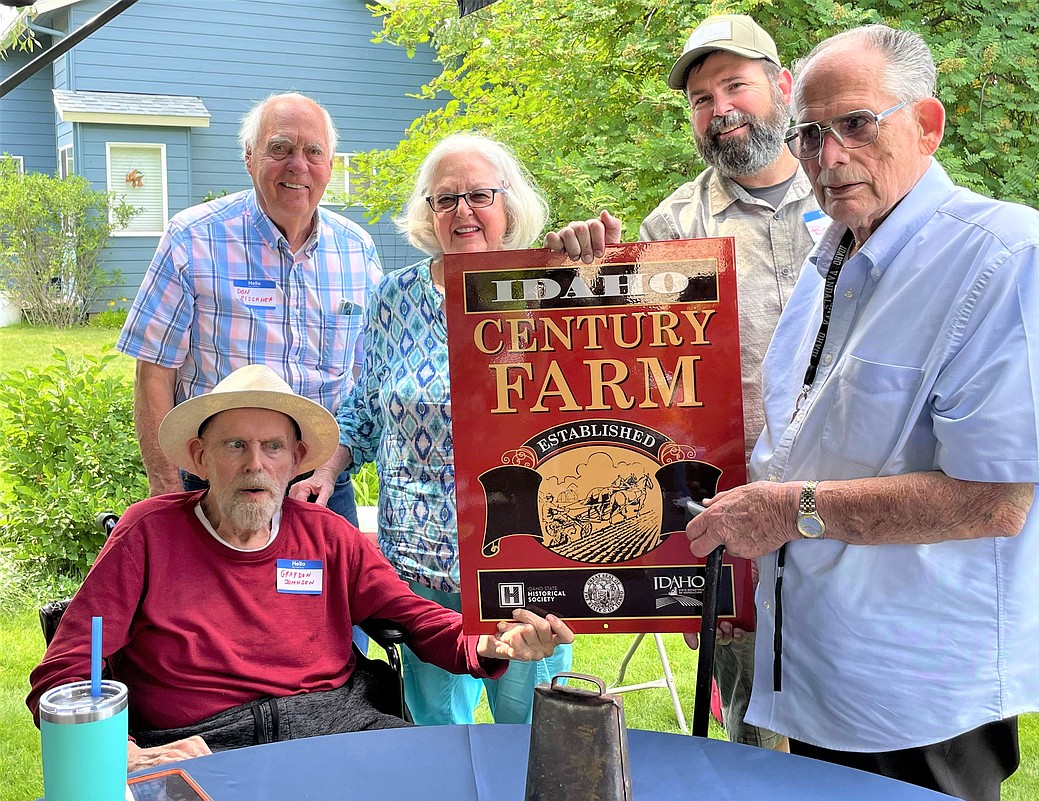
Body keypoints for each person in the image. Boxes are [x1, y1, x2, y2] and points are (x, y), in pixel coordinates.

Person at [684, 24, 1039, 801]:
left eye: (856, 125)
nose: (828, 157)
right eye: (808, 135)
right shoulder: (835, 253)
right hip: (820, 674)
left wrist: (784, 512)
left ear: (926, 125)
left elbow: (995, 498)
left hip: (919, 697)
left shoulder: (998, 250)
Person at [27, 364, 573, 773]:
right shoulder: (147, 533)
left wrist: (490, 644)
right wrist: (119, 750)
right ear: (198, 457)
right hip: (206, 741)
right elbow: (66, 671)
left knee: (440, 780)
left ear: (295, 461)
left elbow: (414, 616)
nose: (255, 464)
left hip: (336, 726)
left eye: (272, 448)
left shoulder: (326, 534)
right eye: (234, 445)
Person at [545, 14, 820, 751]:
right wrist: (583, 264)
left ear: (783, 87)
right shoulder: (673, 225)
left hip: (858, 515)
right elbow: (633, 381)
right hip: (743, 523)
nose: (719, 107)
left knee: (867, 744)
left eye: (736, 84)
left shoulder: (849, 187)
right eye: (701, 97)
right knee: (757, 743)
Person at [293, 133, 612, 725]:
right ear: (427, 213)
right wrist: (329, 465)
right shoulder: (394, 298)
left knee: (533, 731)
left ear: (509, 206)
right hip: (421, 561)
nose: (463, 211)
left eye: (479, 195)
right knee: (438, 736)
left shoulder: (553, 289)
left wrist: (604, 265)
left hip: (526, 558)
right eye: (445, 199)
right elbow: (366, 407)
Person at [117, 92, 382, 526]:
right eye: (280, 148)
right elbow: (155, 372)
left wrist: (333, 466)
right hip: (214, 481)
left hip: (319, 486)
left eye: (313, 151)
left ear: (331, 165)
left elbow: (367, 377)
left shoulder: (357, 249)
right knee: (207, 595)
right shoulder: (193, 238)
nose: (298, 165)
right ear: (249, 157)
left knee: (329, 595)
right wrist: (165, 493)